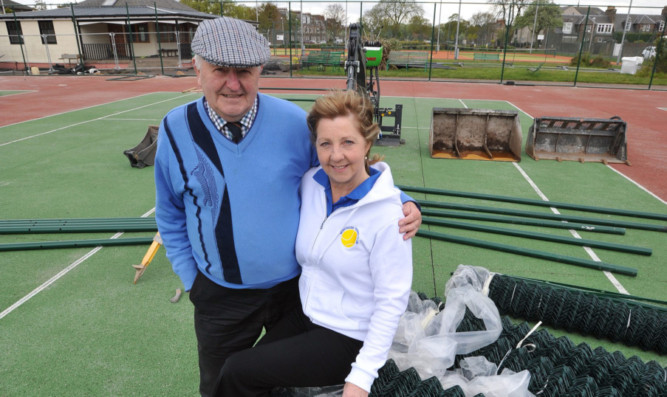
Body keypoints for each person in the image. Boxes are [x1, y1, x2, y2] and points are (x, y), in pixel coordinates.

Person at [153, 17, 421, 397]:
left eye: (244, 71)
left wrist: (400, 199)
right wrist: (191, 280)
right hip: (220, 295)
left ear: (260, 69)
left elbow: (344, 169)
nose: (233, 83)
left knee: (273, 383)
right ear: (198, 68)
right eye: (220, 70)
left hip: (293, 292)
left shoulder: (295, 124)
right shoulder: (175, 129)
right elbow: (169, 212)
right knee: (219, 387)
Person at [215, 90, 413, 397]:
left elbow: (392, 302)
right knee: (243, 371)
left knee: (236, 373)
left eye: (348, 142)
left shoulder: (390, 217)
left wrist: (361, 377)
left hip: (347, 335)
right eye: (326, 144)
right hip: (305, 315)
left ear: (367, 143)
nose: (336, 156)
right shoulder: (311, 184)